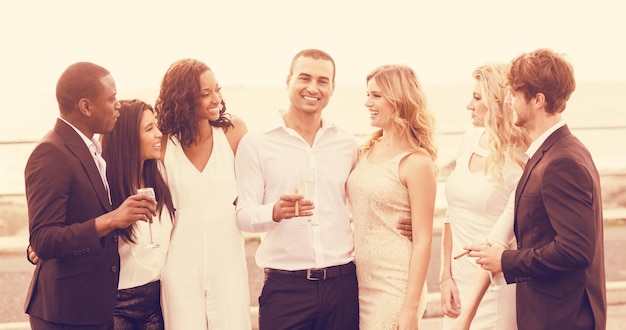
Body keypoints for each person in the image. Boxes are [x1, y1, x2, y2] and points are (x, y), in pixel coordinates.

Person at [234, 49, 412, 330]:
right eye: (304, 78)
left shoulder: (346, 143)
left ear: (332, 88)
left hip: (343, 285)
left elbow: (366, 196)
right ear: (288, 80)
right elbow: (243, 215)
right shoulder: (256, 143)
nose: (313, 88)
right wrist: (275, 211)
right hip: (285, 288)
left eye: (322, 81)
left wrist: (402, 220)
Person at [468, 48, 607, 329]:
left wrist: (505, 260)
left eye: (514, 94)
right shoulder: (552, 151)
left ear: (538, 100)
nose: (507, 102)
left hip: (560, 318)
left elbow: (575, 250)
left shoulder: (562, 160)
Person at [23, 62, 156, 329]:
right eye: (111, 98)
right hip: (65, 313)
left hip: (95, 308)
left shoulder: (93, 150)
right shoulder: (51, 153)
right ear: (86, 106)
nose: (118, 104)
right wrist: (111, 220)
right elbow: (43, 239)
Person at [154, 58, 251, 329]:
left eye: (217, 90)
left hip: (227, 253)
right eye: (205, 94)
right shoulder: (162, 143)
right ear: (182, 99)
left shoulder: (233, 133)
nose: (216, 99)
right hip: (180, 256)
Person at [439, 63, 530, 330]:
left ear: (498, 103)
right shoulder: (468, 139)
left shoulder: (521, 159)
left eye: (477, 98)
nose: (469, 105)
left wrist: (468, 315)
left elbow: (504, 237)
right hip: (456, 288)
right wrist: (445, 277)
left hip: (495, 292)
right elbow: (451, 214)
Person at [346, 64, 437, 329]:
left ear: (398, 99)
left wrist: (409, 309)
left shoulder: (416, 163)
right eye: (367, 94)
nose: (367, 102)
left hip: (395, 285)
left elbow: (423, 241)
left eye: (376, 95)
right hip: (359, 281)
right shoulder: (365, 149)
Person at [102, 99, 175, 329]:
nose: (159, 134)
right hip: (117, 306)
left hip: (156, 302)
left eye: (157, 126)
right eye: (149, 128)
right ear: (127, 138)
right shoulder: (105, 186)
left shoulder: (161, 173)